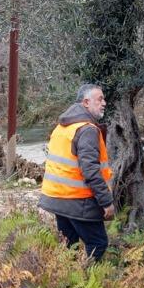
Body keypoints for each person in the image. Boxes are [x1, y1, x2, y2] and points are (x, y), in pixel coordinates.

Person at [39, 84, 115, 261]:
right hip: (77, 200)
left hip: (57, 198)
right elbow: (91, 171)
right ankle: (89, 282)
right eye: (100, 99)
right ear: (86, 102)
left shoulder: (62, 126)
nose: (104, 103)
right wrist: (106, 202)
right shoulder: (87, 129)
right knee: (98, 243)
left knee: (70, 244)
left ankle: (69, 282)